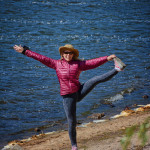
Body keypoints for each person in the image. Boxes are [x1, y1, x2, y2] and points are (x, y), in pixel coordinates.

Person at [13, 44, 126, 150]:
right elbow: (41, 58)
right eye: (66, 53)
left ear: (73, 54)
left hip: (79, 91)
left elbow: (93, 63)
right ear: (62, 54)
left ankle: (117, 69)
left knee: (94, 80)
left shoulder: (78, 64)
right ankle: (74, 146)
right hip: (68, 97)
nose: (68, 55)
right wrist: (25, 51)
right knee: (72, 122)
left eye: (70, 53)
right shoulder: (56, 64)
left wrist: (107, 58)